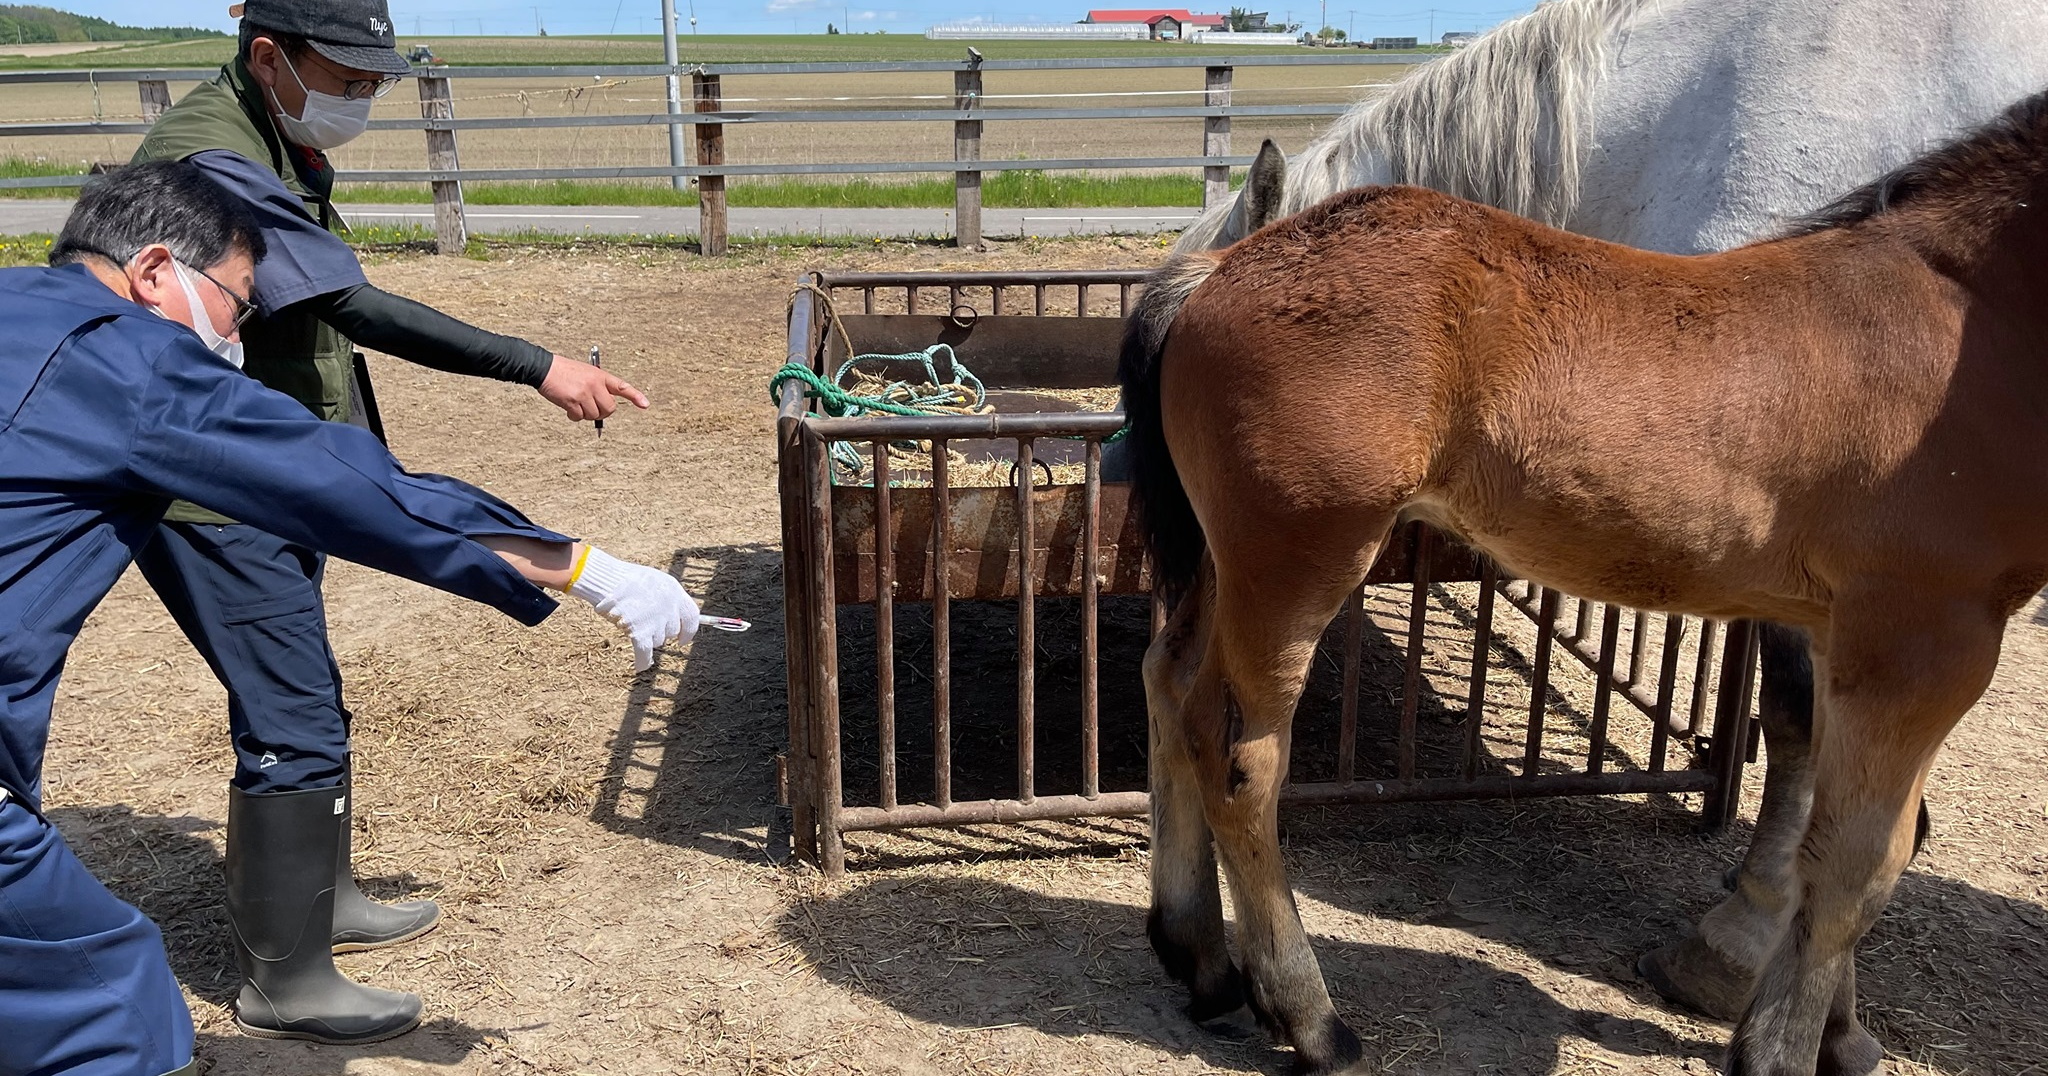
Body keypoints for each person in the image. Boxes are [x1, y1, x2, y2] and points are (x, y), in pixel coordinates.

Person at [0, 160, 696, 1076]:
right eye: (238, 304)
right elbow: (348, 486)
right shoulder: (125, 356)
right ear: (156, 269)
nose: (237, 331)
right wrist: (584, 567)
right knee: (114, 1006)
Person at [127, 0, 648, 1042]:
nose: (361, 99)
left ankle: (326, 899)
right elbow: (351, 307)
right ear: (267, 53)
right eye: (347, 77)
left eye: (375, 83)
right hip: (212, 481)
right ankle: (284, 978)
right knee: (293, 711)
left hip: (272, 464)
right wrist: (538, 363)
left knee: (303, 687)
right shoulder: (210, 156)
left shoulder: (276, 133)